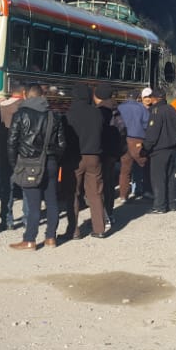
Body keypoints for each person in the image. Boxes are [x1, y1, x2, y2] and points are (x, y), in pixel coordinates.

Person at [8, 84, 66, 250]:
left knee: (34, 205)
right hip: (50, 161)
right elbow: (62, 144)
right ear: (42, 96)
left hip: (29, 163)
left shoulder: (20, 114)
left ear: (25, 95)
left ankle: (30, 239)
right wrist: (54, 159)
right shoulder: (54, 115)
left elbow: (12, 142)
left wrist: (14, 164)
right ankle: (51, 238)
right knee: (52, 202)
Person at [64, 83, 107, 239]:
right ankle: (99, 228)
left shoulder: (69, 114)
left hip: (75, 157)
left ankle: (74, 230)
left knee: (73, 193)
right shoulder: (97, 113)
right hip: (94, 156)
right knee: (95, 192)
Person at [0, 80, 25, 231]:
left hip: (4, 152)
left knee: (6, 187)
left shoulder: (1, 108)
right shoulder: (25, 106)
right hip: (22, 153)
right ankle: (27, 218)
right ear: (23, 93)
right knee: (26, 187)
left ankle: (6, 219)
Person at [142, 88, 176, 214]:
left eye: (151, 97)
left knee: (158, 178)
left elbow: (152, 133)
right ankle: (172, 203)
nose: (150, 99)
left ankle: (159, 206)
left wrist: (145, 148)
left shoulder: (156, 111)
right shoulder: (172, 109)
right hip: (172, 148)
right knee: (170, 177)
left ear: (155, 98)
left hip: (159, 150)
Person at [93, 83, 122, 229]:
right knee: (110, 184)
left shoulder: (98, 112)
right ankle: (110, 213)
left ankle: (103, 216)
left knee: (100, 186)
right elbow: (122, 131)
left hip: (101, 153)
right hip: (113, 153)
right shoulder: (117, 110)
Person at [117, 88, 150, 201]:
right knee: (144, 164)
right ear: (138, 98)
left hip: (123, 140)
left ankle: (123, 195)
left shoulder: (120, 107)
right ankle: (146, 190)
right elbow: (146, 124)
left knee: (125, 169)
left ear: (127, 97)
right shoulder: (141, 108)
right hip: (137, 140)